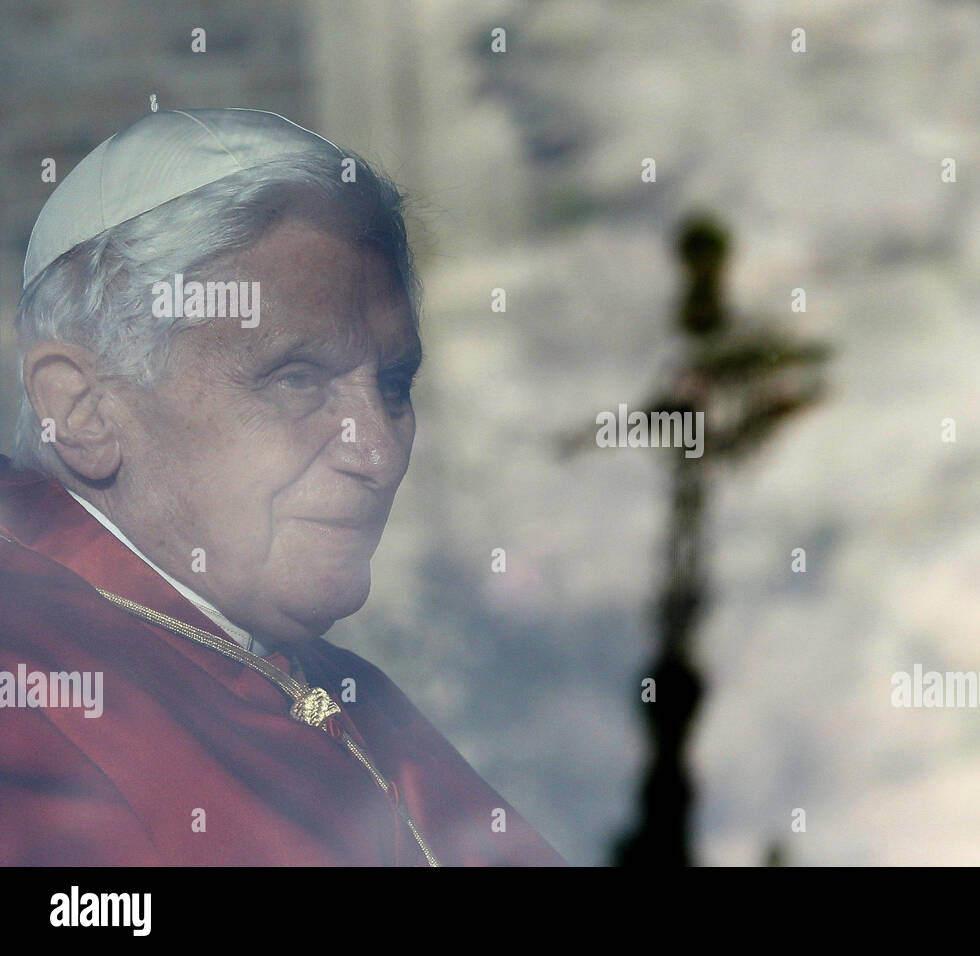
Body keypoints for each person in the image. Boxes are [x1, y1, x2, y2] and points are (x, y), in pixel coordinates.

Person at [0, 108, 565, 866]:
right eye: (297, 377)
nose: (379, 452)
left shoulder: (337, 685)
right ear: (85, 409)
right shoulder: (28, 682)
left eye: (394, 384)